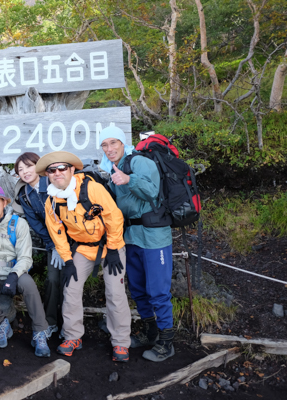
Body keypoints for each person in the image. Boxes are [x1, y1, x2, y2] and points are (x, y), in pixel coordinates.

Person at [37, 151, 131, 362]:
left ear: (72, 169)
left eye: (62, 168)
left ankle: (121, 342)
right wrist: (67, 260)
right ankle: (72, 336)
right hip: (82, 248)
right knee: (70, 288)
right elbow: (57, 233)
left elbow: (114, 217)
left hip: (110, 246)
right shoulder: (51, 201)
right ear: (48, 176)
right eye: (52, 170)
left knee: (115, 292)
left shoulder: (92, 188)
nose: (57, 173)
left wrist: (114, 248)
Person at [100, 125, 175, 362]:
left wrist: (129, 179)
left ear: (123, 143)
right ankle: (149, 332)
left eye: (113, 143)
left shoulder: (140, 163)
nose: (109, 148)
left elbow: (153, 191)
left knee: (158, 292)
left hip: (154, 236)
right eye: (104, 145)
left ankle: (167, 341)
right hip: (130, 237)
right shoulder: (113, 169)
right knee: (138, 289)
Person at [0, 185, 51, 358]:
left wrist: (14, 275)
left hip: (13, 273)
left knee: (28, 284)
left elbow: (25, 257)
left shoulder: (19, 224)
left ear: (4, 202)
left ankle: (39, 331)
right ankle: (0, 324)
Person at [12, 152, 63, 338]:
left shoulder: (53, 183)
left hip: (74, 239)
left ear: (39, 165)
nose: (25, 172)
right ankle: (51, 322)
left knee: (70, 282)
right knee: (52, 279)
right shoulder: (25, 195)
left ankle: (69, 325)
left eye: (29, 166)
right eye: (20, 169)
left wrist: (63, 244)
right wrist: (53, 246)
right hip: (53, 243)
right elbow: (37, 225)